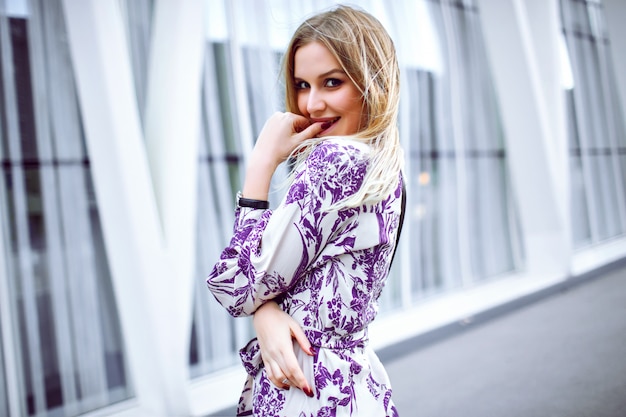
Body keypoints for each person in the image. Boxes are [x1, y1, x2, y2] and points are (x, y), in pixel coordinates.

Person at [207, 5, 404, 416]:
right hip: (352, 383)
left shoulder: (336, 161)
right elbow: (268, 284)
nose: (312, 103)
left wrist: (262, 163)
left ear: (372, 83)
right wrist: (267, 310)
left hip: (311, 392)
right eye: (301, 85)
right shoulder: (383, 166)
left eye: (332, 82)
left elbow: (235, 284)